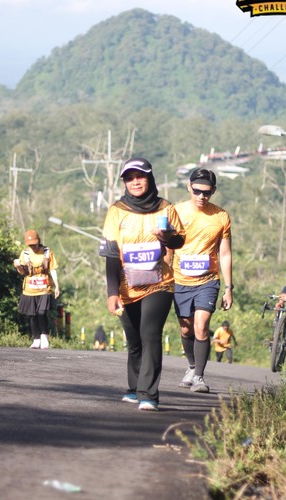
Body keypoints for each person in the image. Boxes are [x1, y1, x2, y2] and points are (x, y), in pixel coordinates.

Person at [99, 157, 185, 411]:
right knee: (134, 339)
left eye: (140, 176)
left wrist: (168, 238)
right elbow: (111, 255)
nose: (135, 182)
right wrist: (112, 293)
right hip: (127, 286)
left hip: (160, 283)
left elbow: (179, 240)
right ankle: (135, 387)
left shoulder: (166, 208)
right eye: (129, 178)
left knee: (150, 333)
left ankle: (149, 393)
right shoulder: (116, 211)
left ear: (150, 178)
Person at [172, 168, 233, 392]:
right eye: (197, 191)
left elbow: (225, 254)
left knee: (201, 326)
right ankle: (191, 366)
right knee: (186, 329)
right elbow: (167, 248)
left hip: (208, 281)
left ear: (213, 191)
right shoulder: (176, 212)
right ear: (189, 187)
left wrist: (228, 288)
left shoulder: (221, 217)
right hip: (180, 280)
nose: (201, 196)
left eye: (206, 192)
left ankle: (199, 377)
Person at [14, 229, 60, 349]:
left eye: (34, 244)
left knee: (42, 312)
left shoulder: (47, 252)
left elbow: (52, 269)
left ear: (38, 241)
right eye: (30, 245)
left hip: (44, 288)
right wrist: (18, 266)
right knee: (33, 314)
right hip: (30, 289)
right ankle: (36, 339)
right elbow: (23, 272)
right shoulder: (25, 254)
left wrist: (57, 286)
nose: (33, 247)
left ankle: (44, 336)